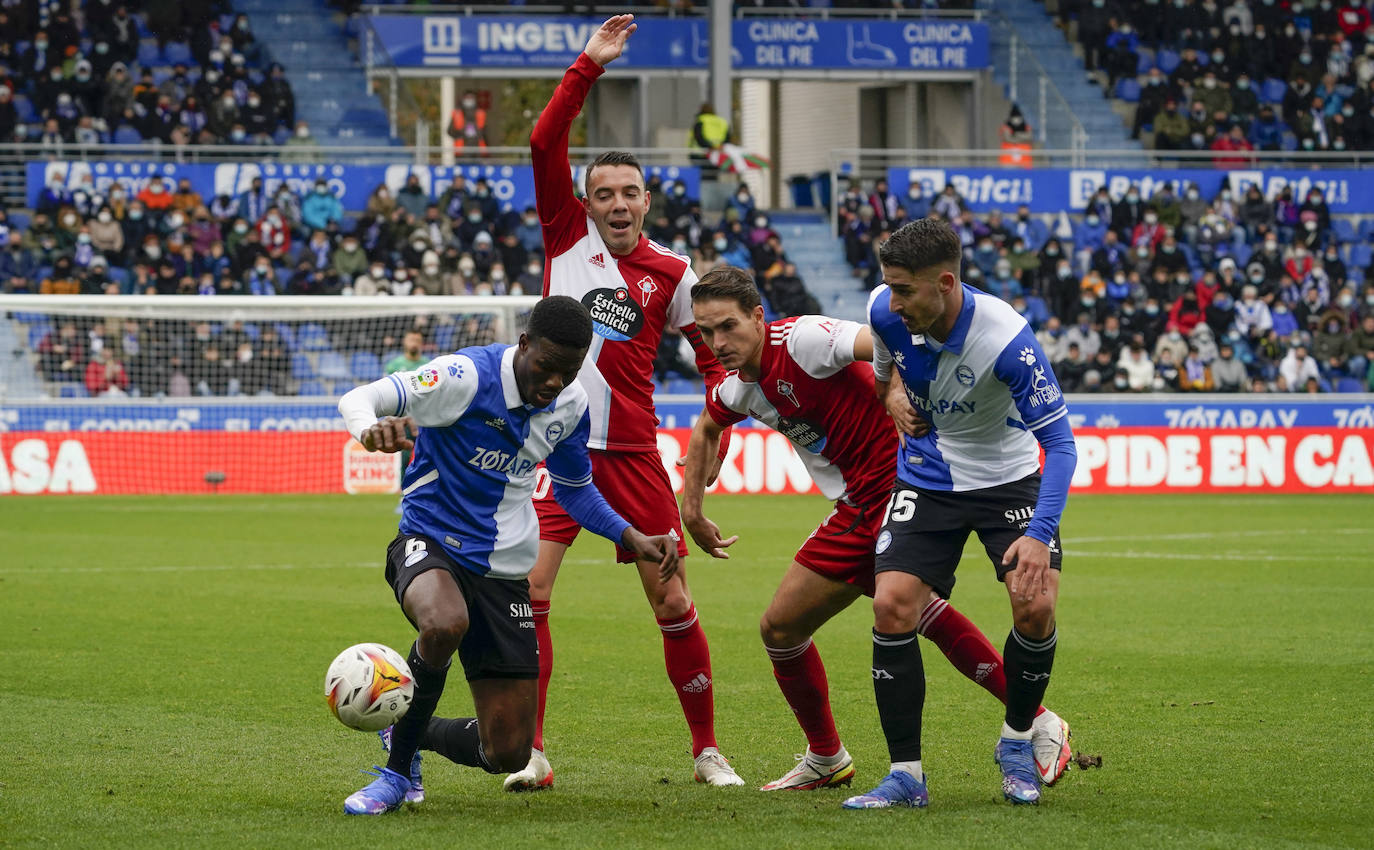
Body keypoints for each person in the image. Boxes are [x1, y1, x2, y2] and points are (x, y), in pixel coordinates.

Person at [680, 267, 1073, 793]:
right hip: (855, 505)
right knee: (783, 628)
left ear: (757, 316)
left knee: (907, 610)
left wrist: (892, 391)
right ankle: (829, 757)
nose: (717, 342)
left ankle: (1032, 724)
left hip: (904, 483)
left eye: (727, 327)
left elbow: (881, 336)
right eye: (705, 333)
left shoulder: (804, 339)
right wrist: (692, 508)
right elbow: (706, 425)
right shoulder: (740, 389)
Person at [335, 296, 680, 815]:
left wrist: (631, 537)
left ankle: (407, 728)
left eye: (568, 371)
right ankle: (396, 775)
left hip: (503, 571)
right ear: (524, 345)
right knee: (443, 623)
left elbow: (575, 489)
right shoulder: (464, 376)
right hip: (429, 539)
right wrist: (368, 429)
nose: (553, 383)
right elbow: (362, 397)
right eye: (546, 366)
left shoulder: (570, 403)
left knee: (507, 752)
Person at [516, 14, 740, 790]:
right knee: (532, 590)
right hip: (552, 446)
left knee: (671, 596)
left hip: (634, 456)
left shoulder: (672, 272)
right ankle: (533, 751)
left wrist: (722, 416)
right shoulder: (561, 236)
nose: (616, 202)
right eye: (603, 192)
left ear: (648, 201)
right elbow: (546, 144)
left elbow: (717, 357)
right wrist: (587, 66)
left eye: (629, 192)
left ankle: (706, 748)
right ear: (586, 202)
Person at [847, 218, 1076, 809]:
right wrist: (893, 391)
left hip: (1009, 479)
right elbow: (883, 380)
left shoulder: (1007, 340)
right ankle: (905, 776)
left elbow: (1062, 444)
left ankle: (1018, 741)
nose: (892, 302)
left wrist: (1040, 535)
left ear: (945, 283)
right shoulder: (884, 311)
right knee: (892, 603)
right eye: (889, 287)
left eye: (905, 290)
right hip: (928, 474)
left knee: (1036, 603)